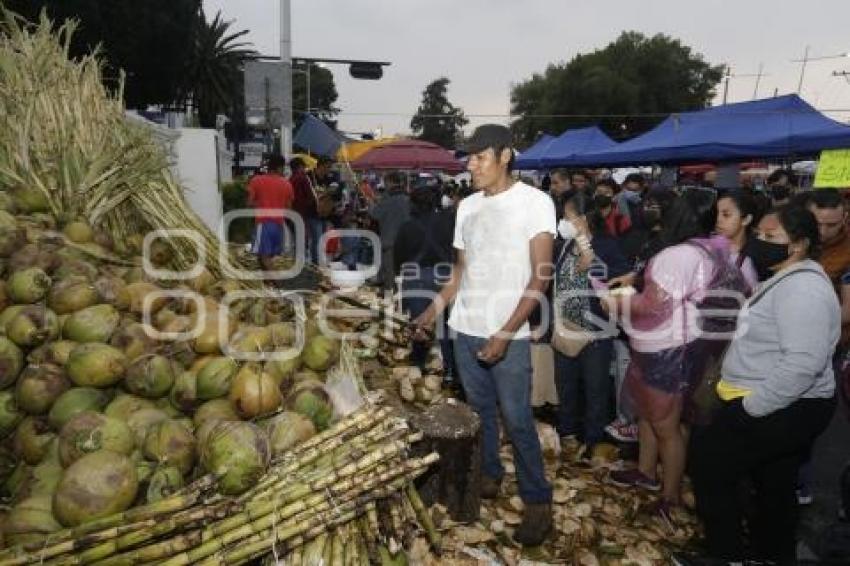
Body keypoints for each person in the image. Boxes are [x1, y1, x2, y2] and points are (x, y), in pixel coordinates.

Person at [413, 124, 554, 546]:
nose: (470, 164)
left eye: (479, 157)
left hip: (507, 332)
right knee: (480, 412)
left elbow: (541, 276)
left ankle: (538, 502)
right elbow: (461, 272)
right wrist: (432, 311)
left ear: (505, 155)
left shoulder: (535, 202)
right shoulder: (468, 206)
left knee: (518, 418)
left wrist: (507, 332)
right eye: (468, 157)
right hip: (465, 328)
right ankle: (490, 473)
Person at [684, 205, 839, 565]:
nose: (761, 243)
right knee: (775, 482)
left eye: (772, 238)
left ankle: (726, 554)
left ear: (798, 245)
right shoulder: (785, 277)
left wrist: (754, 407)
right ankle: (771, 553)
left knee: (709, 465)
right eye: (760, 236)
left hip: (781, 403)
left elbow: (803, 362)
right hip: (778, 399)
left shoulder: (804, 290)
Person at [606, 189, 747, 515]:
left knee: (666, 427)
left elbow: (651, 307)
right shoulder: (708, 251)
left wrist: (614, 301)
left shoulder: (678, 255)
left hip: (667, 350)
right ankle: (645, 472)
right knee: (650, 416)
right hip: (674, 345)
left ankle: (669, 496)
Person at [552, 191, 630, 449]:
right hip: (565, 329)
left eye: (567, 216)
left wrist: (593, 265)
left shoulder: (606, 245)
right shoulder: (563, 245)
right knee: (566, 387)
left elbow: (625, 276)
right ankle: (567, 433)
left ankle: (594, 441)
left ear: (582, 219)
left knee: (595, 390)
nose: (563, 221)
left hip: (596, 332)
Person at [394, 185, 456, 375]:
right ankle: (450, 371)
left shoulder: (407, 226)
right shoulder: (447, 222)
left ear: (413, 204)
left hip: (415, 277)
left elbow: (398, 256)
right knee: (446, 326)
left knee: (419, 325)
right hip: (445, 277)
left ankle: (418, 369)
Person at [248, 154, 294, 272]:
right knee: (269, 256)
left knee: (263, 257)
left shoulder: (256, 181)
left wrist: (262, 203)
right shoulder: (287, 184)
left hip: (263, 224)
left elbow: (249, 202)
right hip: (279, 225)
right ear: (280, 167)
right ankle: (270, 284)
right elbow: (289, 207)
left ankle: (277, 282)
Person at [367, 172, 411, 290]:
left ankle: (391, 301)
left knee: (390, 275)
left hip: (390, 241)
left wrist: (370, 205)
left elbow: (375, 214)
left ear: (390, 182)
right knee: (403, 274)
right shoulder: (408, 198)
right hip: (406, 242)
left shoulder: (388, 198)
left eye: (385, 182)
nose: (385, 185)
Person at [714, 190, 759, 289]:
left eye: (726, 215)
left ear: (746, 219)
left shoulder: (756, 255)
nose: (718, 220)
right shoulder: (708, 247)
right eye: (716, 214)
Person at [807, 189, 850, 287]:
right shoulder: (793, 238)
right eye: (817, 224)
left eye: (832, 225)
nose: (823, 232)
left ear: (845, 218)